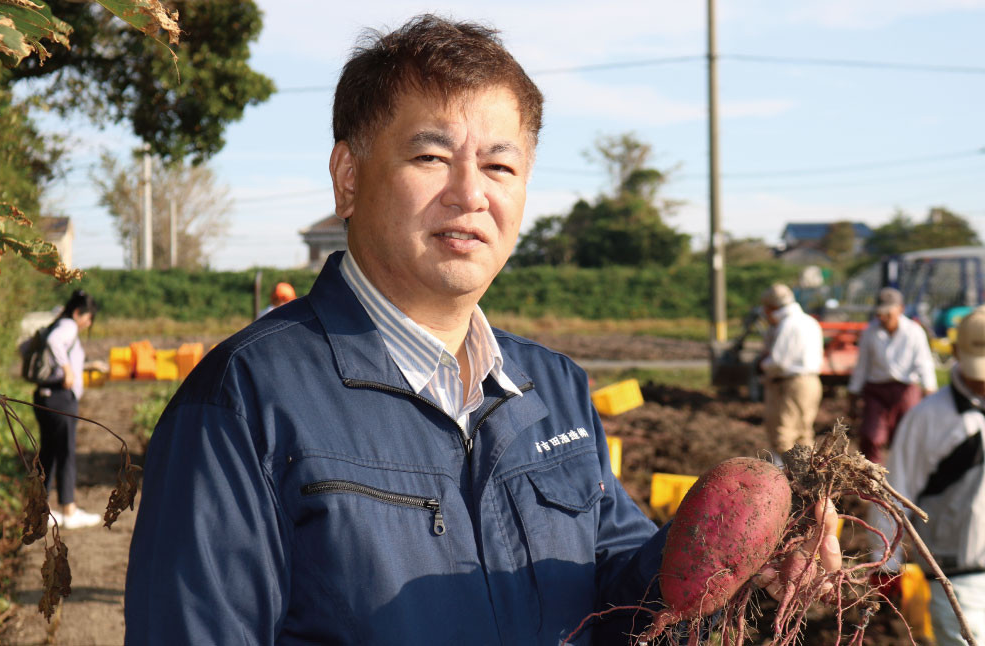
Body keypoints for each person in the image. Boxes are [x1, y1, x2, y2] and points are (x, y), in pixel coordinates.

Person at [124, 15, 839, 645]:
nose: (471, 194)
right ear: (348, 177)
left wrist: (732, 568)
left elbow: (618, 607)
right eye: (431, 157)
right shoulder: (244, 401)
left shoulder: (553, 388)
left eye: (500, 164)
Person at [867, 306, 985, 645]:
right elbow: (895, 489)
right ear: (957, 353)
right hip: (960, 581)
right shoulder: (929, 418)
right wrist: (884, 560)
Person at [32, 289, 101, 530]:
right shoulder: (68, 326)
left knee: (49, 454)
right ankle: (69, 510)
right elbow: (54, 344)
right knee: (66, 453)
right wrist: (67, 370)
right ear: (78, 313)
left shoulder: (56, 323)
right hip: (60, 399)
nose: (88, 323)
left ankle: (43, 509)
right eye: (89, 317)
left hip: (45, 396)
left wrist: (81, 366)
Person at [848, 286, 937, 463]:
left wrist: (929, 390)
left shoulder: (913, 331)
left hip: (905, 389)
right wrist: (853, 392)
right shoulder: (870, 332)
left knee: (906, 437)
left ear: (901, 309)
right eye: (880, 313)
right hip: (876, 390)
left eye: (888, 313)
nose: (883, 318)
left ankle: (904, 480)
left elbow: (924, 363)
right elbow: (862, 365)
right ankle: (871, 483)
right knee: (870, 436)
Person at [758, 283, 823, 458]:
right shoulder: (809, 321)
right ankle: (809, 480)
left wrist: (761, 365)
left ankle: (787, 481)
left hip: (791, 384)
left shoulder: (788, 325)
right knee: (803, 434)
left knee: (783, 436)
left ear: (771, 307)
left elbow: (778, 362)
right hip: (810, 382)